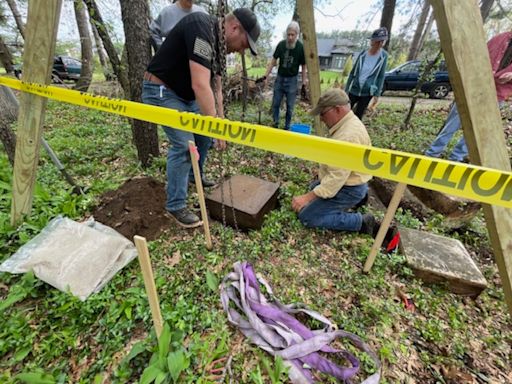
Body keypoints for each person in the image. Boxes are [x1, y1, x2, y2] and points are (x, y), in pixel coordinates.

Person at [142, 8, 260, 228]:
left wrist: (219, 126)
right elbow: (200, 84)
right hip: (162, 90)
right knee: (185, 145)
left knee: (204, 137)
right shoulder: (200, 27)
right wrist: (215, 127)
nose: (241, 51)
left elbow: (216, 90)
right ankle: (175, 205)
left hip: (185, 95)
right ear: (234, 28)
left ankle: (193, 176)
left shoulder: (218, 45)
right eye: (244, 44)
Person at [291, 88, 376, 234]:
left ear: (337, 109)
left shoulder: (348, 136)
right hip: (349, 180)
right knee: (314, 187)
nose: (321, 119)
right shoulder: (347, 124)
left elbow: (336, 179)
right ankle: (359, 198)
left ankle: (361, 222)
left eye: (323, 114)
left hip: (348, 187)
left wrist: (307, 198)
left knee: (308, 217)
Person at [425, 30, 512, 162]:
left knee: (477, 129)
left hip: (498, 94)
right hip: (475, 88)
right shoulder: (499, 38)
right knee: (453, 122)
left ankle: (456, 158)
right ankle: (432, 154)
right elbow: (475, 58)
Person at [263, 21, 307, 130]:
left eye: (293, 35)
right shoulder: (281, 45)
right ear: (286, 34)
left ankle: (287, 127)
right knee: (276, 103)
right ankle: (275, 123)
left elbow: (304, 65)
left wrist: (304, 82)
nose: (290, 37)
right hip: (280, 78)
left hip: (292, 80)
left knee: (290, 107)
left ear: (297, 35)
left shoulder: (300, 48)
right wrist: (266, 76)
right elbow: (273, 61)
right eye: (288, 34)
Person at [345, 27, 388, 119]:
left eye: (381, 41)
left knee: (358, 115)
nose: (373, 42)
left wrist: (377, 94)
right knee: (346, 113)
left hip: (367, 92)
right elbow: (352, 73)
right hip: (354, 89)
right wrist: (346, 89)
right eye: (373, 40)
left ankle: (354, 132)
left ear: (381, 43)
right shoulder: (363, 54)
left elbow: (381, 76)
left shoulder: (383, 56)